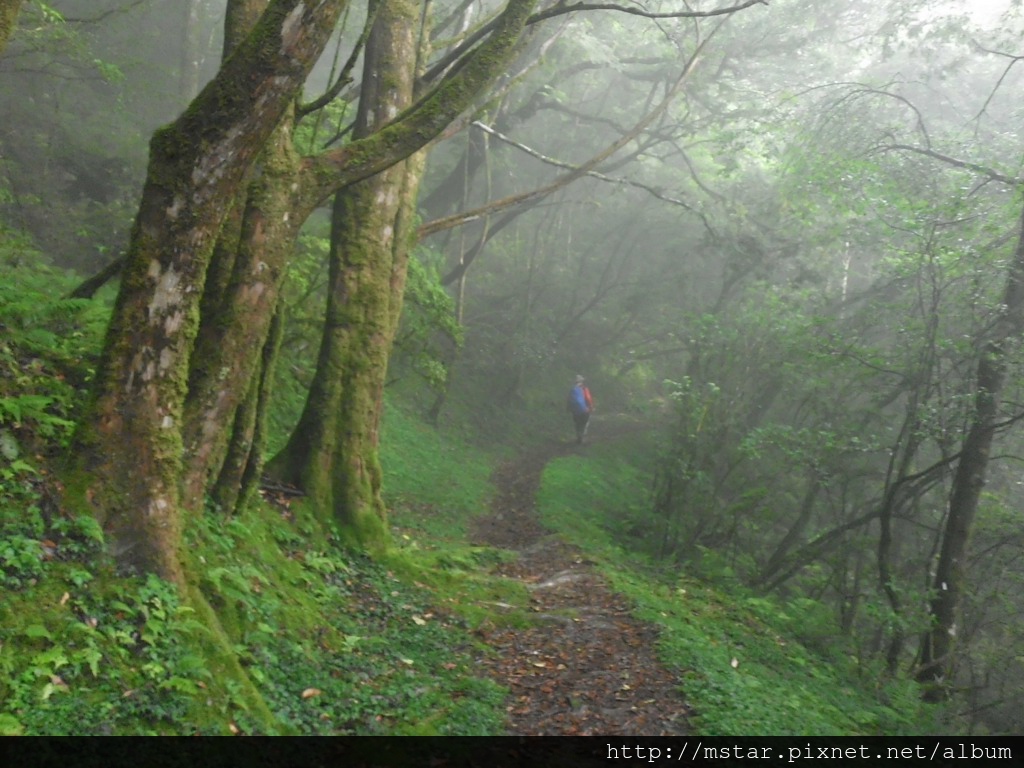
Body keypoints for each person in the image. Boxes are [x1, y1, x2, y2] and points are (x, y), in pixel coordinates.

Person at [567, 374, 594, 444]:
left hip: (575, 411)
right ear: (582, 381)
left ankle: (578, 436)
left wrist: (569, 409)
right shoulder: (584, 389)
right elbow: (588, 398)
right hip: (585, 410)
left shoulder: (572, 389)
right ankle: (582, 437)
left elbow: (569, 400)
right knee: (584, 423)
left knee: (577, 423)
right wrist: (591, 406)